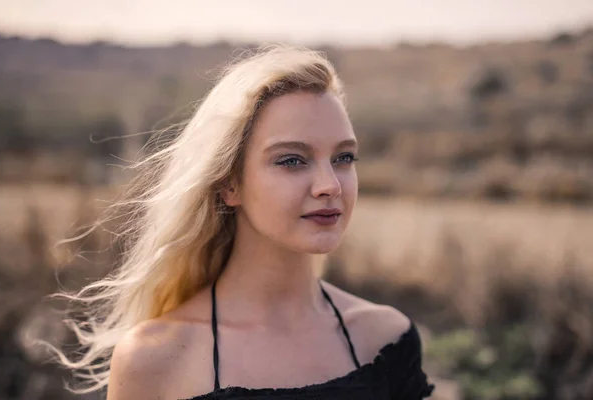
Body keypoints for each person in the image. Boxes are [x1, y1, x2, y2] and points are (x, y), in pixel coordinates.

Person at [49, 44, 435, 399]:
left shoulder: (385, 340)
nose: (329, 185)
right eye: (291, 160)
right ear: (230, 184)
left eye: (344, 157)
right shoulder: (155, 359)